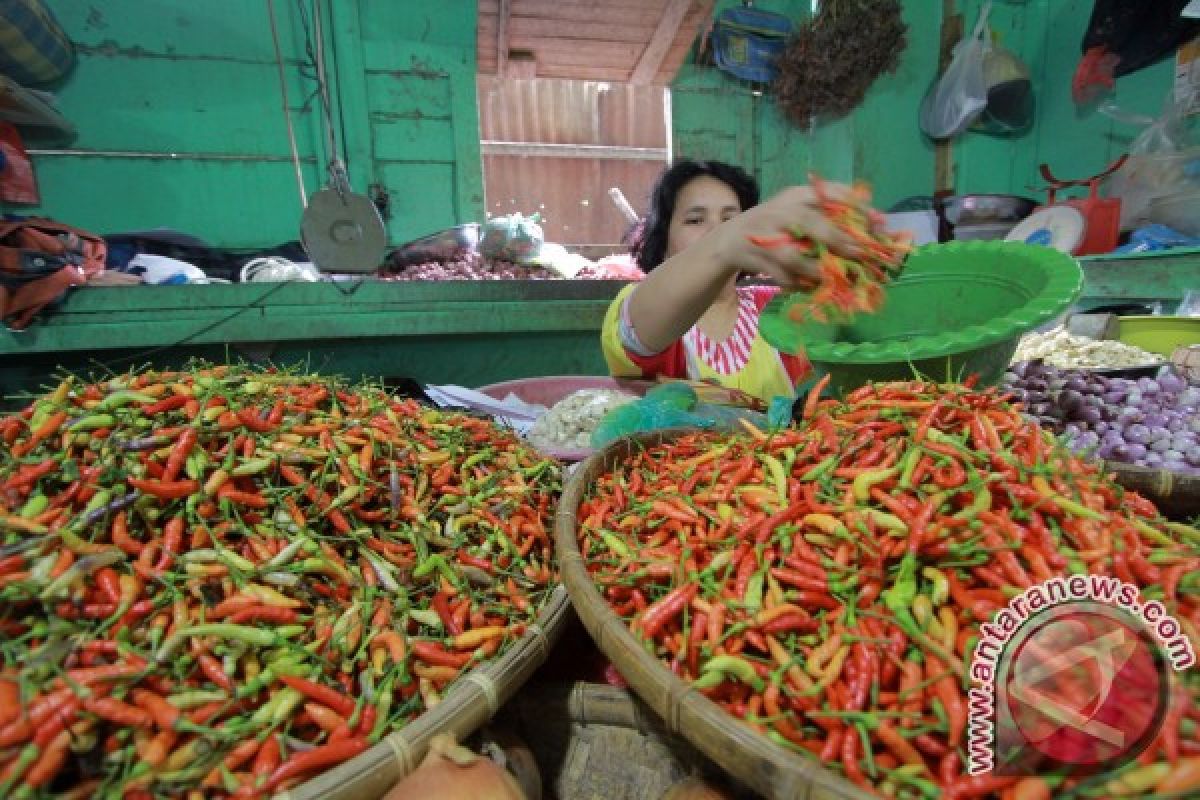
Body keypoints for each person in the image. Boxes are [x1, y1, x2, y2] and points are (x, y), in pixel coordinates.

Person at [601, 159, 875, 403]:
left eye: (730, 219)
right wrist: (726, 242)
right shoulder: (650, 308)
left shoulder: (776, 307)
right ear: (663, 241)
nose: (716, 230)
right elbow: (634, 333)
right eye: (695, 220)